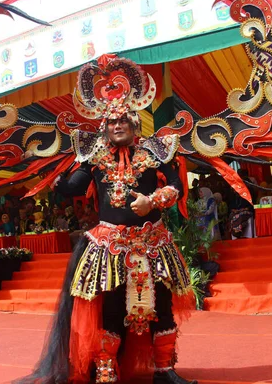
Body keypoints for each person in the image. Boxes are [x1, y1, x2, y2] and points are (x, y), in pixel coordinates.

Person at [19, 60, 195, 384]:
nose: (117, 126)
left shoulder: (155, 150)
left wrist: (152, 201)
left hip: (153, 242)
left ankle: (165, 370)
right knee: (110, 309)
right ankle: (106, 372)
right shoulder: (95, 157)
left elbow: (176, 187)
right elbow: (72, 188)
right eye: (111, 122)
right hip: (109, 246)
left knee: (163, 305)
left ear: (133, 122)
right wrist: (49, 175)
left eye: (123, 120)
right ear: (104, 127)